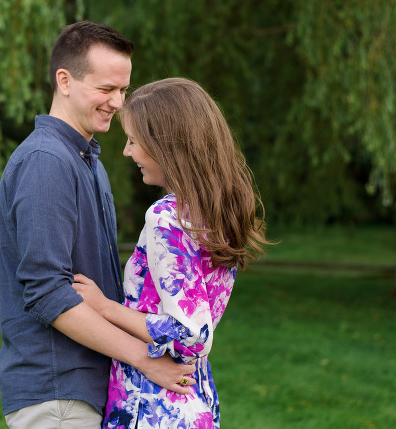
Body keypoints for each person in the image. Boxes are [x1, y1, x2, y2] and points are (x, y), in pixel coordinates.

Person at [0, 24, 197, 429]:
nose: (118, 103)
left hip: (86, 390)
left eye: (123, 90)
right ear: (65, 81)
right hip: (57, 394)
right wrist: (144, 358)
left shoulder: (89, 163)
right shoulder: (45, 161)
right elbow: (47, 293)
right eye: (107, 89)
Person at [72, 77, 270, 429]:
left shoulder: (167, 218)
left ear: (166, 145)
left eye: (134, 141)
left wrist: (105, 308)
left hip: (154, 406)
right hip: (192, 400)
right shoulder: (215, 212)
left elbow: (193, 334)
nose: (127, 152)